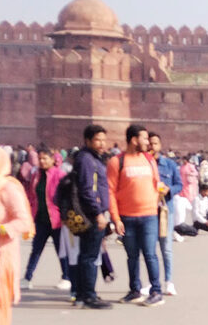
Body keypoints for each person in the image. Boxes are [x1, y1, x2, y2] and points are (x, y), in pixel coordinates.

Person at [108, 123, 164, 307]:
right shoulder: (117, 162)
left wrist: (159, 195)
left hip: (149, 216)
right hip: (127, 217)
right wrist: (115, 218)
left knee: (149, 254)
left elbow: (157, 183)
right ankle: (135, 290)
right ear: (134, 140)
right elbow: (110, 191)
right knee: (131, 256)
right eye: (145, 138)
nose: (148, 142)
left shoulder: (149, 160)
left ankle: (156, 291)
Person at [0, 146, 35, 325]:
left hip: (1, 259)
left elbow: (24, 221)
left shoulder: (8, 188)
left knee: (0, 313)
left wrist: (2, 229)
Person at [67, 125, 113, 308]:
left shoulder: (92, 158)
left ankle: (81, 293)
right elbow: (87, 191)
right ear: (87, 141)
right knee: (90, 256)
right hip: (92, 214)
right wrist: (98, 213)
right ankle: (89, 295)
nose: (102, 144)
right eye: (97, 140)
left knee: (86, 255)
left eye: (103, 140)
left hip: (91, 213)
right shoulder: (87, 160)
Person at [20, 147, 70, 290]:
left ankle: (66, 277)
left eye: (45, 158)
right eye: (40, 159)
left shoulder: (60, 176)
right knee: (36, 250)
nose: (42, 161)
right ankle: (27, 278)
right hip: (40, 220)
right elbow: (31, 195)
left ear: (53, 159)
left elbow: (66, 197)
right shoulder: (36, 176)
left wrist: (65, 215)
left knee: (61, 250)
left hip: (57, 221)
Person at [149, 133, 182, 296]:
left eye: (155, 143)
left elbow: (179, 184)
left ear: (160, 145)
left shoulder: (169, 165)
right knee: (150, 249)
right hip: (147, 211)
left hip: (164, 211)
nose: (152, 146)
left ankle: (169, 281)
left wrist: (170, 190)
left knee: (166, 248)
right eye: (149, 143)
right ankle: (152, 282)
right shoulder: (144, 165)